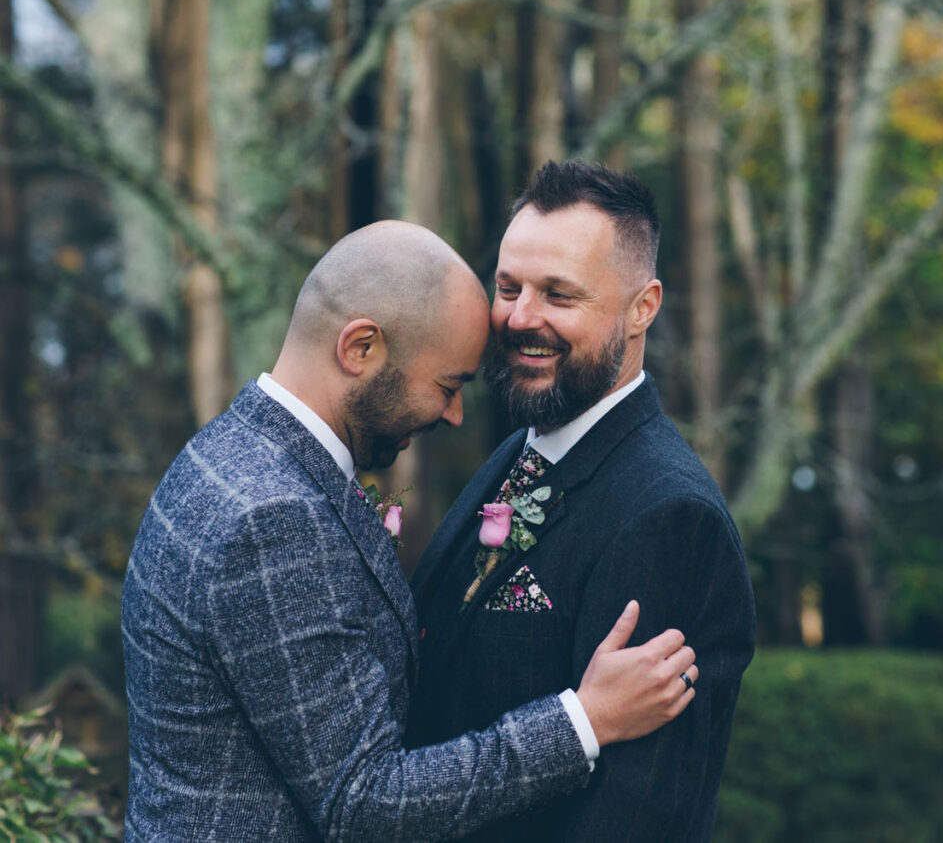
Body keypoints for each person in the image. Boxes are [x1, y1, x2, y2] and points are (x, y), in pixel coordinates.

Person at [122, 220, 699, 842]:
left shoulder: (229, 454)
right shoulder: (274, 518)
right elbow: (362, 801)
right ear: (361, 348)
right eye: (446, 386)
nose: (452, 416)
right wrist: (584, 721)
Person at [407, 162, 756, 841]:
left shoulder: (669, 517)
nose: (519, 317)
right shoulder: (519, 453)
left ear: (642, 306)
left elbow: (641, 815)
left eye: (559, 295)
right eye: (508, 287)